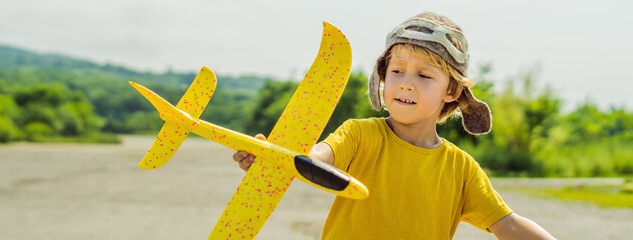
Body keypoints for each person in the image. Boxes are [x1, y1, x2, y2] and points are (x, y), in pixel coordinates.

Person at [234, 12, 556, 239]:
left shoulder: (461, 170)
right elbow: (316, 158)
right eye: (397, 71)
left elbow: (508, 226)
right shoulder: (361, 135)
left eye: (424, 75)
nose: (405, 84)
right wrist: (277, 157)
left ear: (452, 91)